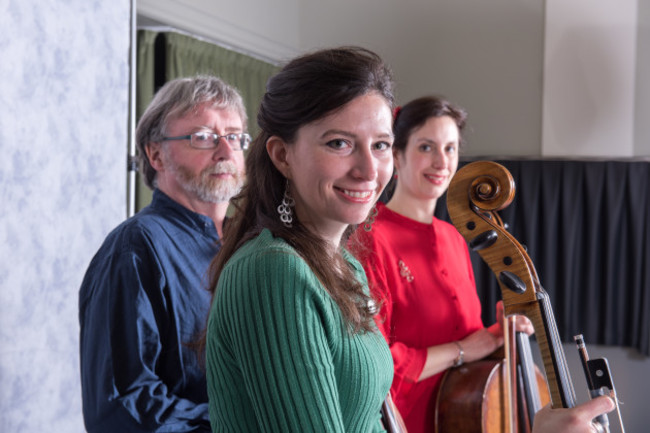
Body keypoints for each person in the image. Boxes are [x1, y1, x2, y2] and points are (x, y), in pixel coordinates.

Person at [203, 46, 396, 432]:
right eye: (339, 143)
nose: (368, 170)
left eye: (381, 145)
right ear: (282, 155)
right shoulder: (273, 270)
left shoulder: (345, 265)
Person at [350, 95, 536, 432]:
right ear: (397, 155)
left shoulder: (454, 237)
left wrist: (499, 336)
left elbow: (469, 338)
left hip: (465, 418)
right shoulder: (369, 237)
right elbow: (378, 363)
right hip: (405, 422)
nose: (441, 162)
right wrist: (463, 349)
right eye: (426, 147)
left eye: (450, 149)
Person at [78, 75, 249, 432]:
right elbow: (123, 405)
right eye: (202, 136)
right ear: (156, 154)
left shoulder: (250, 245)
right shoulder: (134, 250)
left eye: (234, 136)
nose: (226, 151)